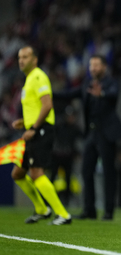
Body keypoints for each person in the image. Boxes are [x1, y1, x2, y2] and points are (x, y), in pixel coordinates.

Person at [54, 55, 121, 220]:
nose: (93, 68)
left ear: (104, 67)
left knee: (108, 173)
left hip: (106, 133)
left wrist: (102, 93)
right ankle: (89, 210)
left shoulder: (111, 82)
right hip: (91, 134)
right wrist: (48, 93)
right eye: (91, 65)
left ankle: (108, 211)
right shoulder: (86, 83)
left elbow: (113, 94)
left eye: (96, 65)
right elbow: (69, 93)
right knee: (86, 171)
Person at [11, 46, 71, 225]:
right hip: (33, 129)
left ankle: (63, 214)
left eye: (26, 56)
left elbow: (47, 105)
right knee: (18, 174)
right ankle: (42, 209)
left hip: (41, 131)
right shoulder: (29, 79)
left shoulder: (38, 76)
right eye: (20, 57)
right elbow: (37, 107)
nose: (21, 60)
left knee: (37, 172)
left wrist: (34, 128)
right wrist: (25, 122)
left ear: (35, 59)